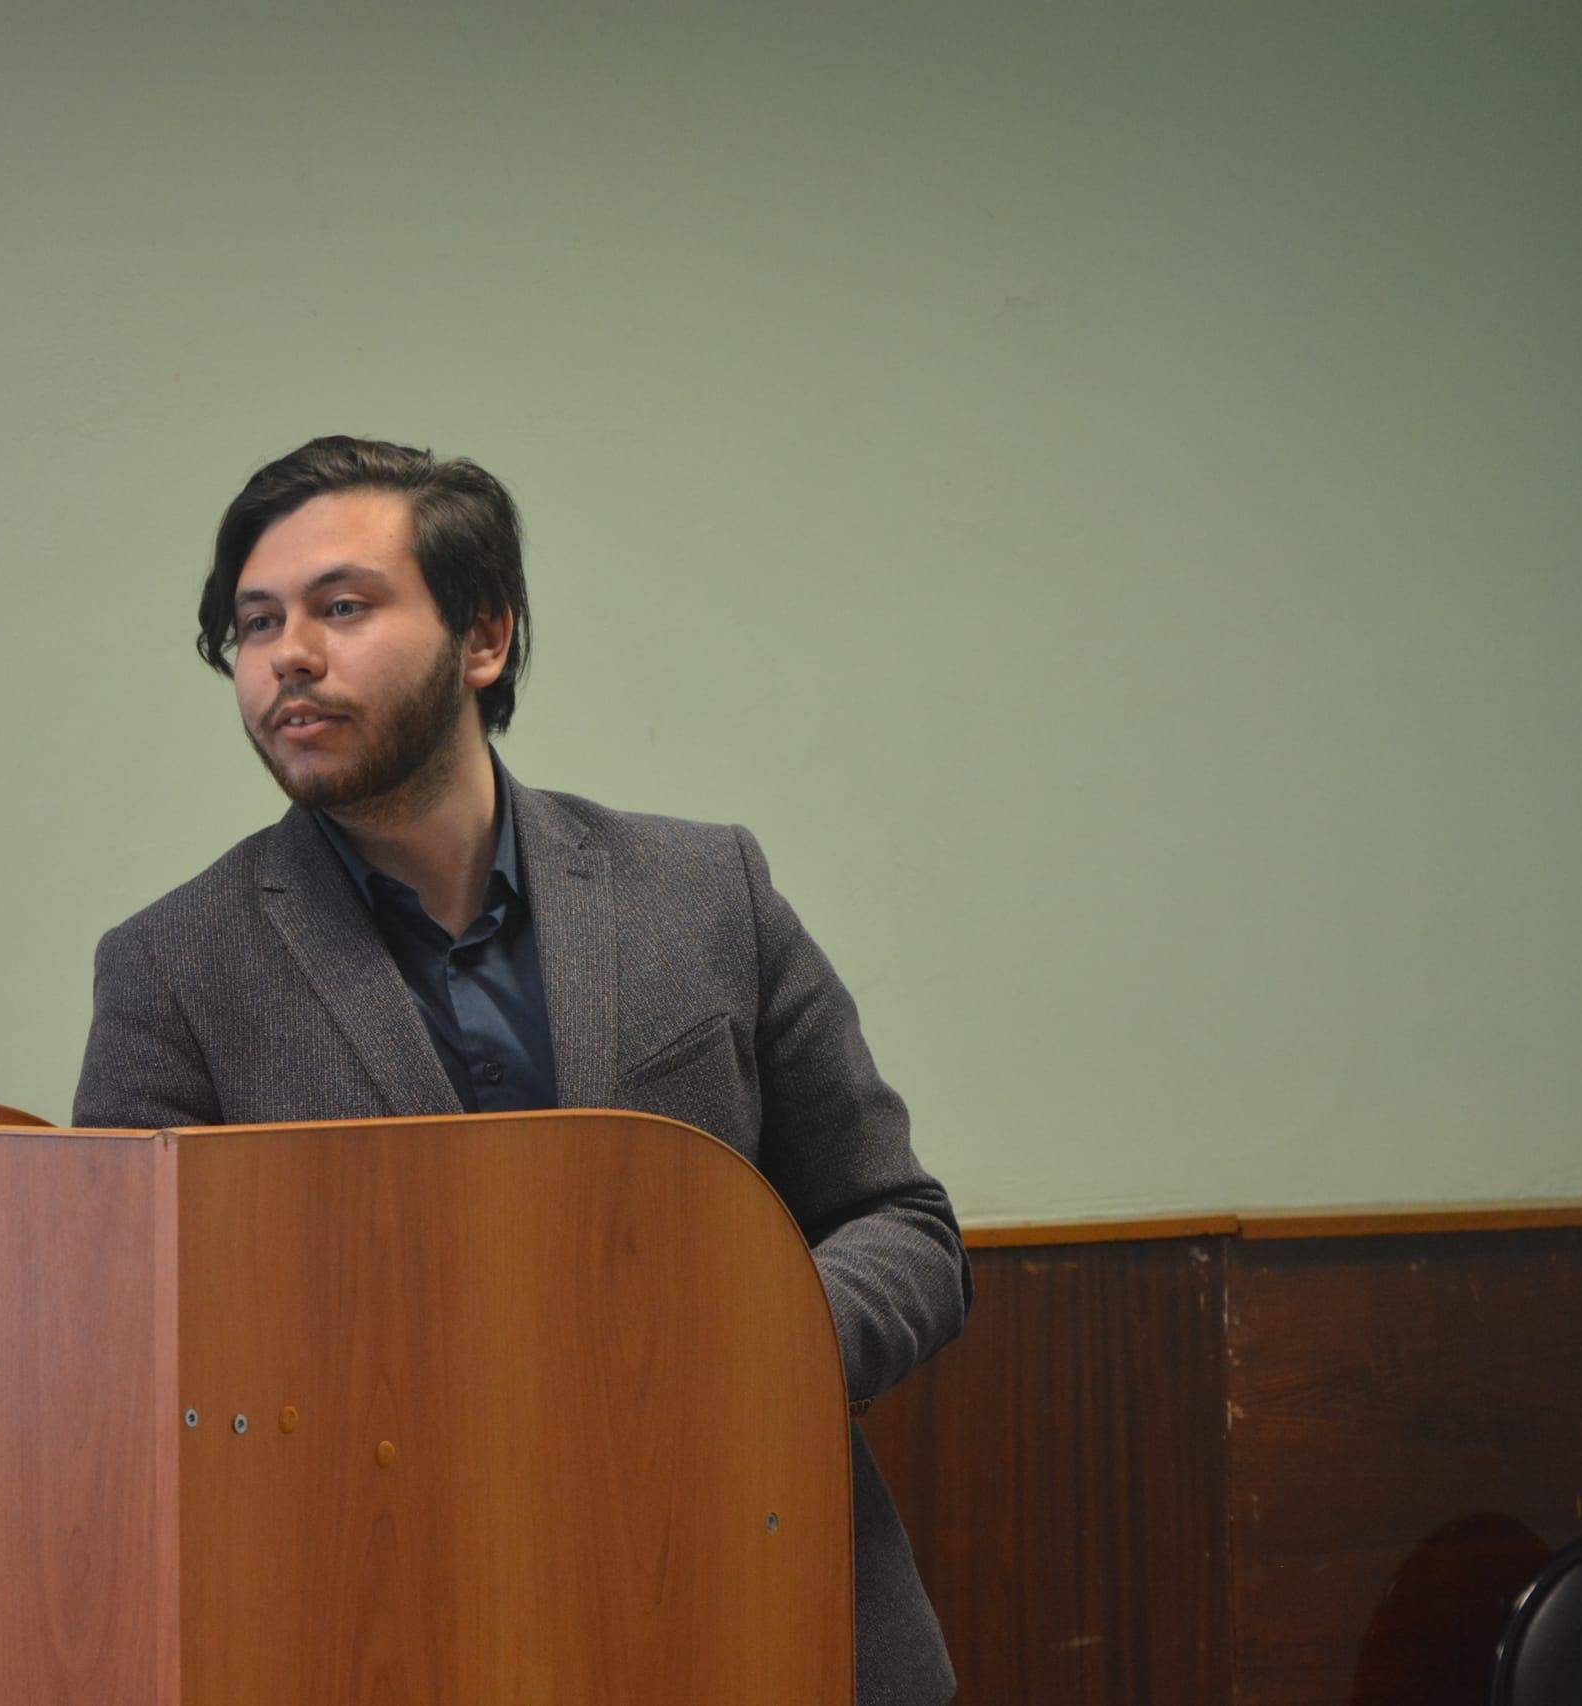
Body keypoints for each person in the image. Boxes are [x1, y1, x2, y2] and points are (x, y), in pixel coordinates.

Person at [71, 433, 972, 1706]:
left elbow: (900, 1221)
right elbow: (125, 1358)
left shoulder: (702, 890)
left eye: (341, 607)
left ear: (483, 636)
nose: (288, 656)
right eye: (255, 622)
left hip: (761, 1600)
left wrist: (736, 1356)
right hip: (387, 1627)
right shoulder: (173, 968)